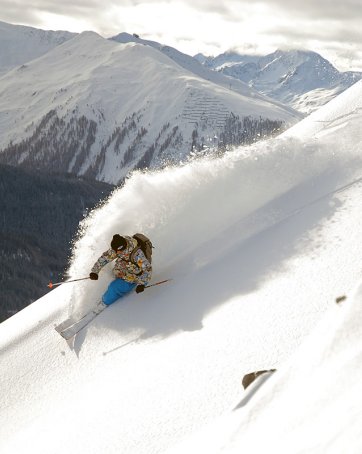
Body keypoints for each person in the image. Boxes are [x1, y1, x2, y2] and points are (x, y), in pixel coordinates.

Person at [89, 234, 152, 309]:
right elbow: (105, 258)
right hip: (125, 267)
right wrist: (95, 271)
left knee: (114, 287)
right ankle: (118, 284)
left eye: (118, 251)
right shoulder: (118, 248)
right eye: (115, 251)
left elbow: (147, 269)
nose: (116, 252)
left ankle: (105, 302)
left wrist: (142, 284)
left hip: (135, 274)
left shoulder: (137, 255)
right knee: (116, 272)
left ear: (121, 248)